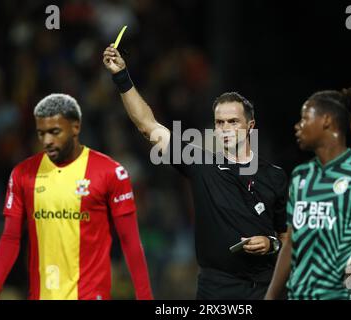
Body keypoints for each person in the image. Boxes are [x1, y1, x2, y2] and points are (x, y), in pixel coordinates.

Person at [103, 45, 288, 299]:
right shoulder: (201, 164)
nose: (225, 128)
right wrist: (121, 76)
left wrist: (271, 244)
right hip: (217, 289)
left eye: (233, 122)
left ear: (250, 126)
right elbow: (148, 126)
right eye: (219, 122)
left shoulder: (275, 176)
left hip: (266, 289)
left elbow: (287, 239)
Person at [0, 94, 153, 300]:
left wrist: (144, 295)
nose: (47, 141)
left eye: (54, 132)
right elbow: (11, 237)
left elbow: (130, 239)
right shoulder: (22, 174)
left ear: (75, 128)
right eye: (41, 133)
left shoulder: (110, 172)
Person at [265, 88, 351, 300]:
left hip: (344, 294)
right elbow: (290, 243)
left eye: (304, 118)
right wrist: (270, 297)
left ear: (326, 120)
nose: (298, 126)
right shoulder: (300, 175)